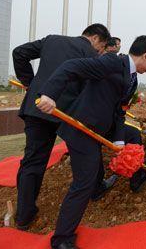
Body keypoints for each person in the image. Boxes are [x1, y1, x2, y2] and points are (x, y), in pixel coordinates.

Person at [36, 35, 146, 249]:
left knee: (132, 135)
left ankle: (136, 175)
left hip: (103, 124)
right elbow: (71, 67)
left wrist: (120, 140)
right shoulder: (113, 62)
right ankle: (61, 239)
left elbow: (120, 112)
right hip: (82, 129)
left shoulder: (132, 78)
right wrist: (49, 94)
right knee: (84, 181)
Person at [11, 23, 110, 231]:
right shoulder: (90, 53)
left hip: (38, 106)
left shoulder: (52, 40)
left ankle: (24, 216)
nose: (99, 52)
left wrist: (31, 84)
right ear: (95, 39)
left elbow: (19, 53)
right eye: (101, 47)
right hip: (67, 113)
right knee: (87, 149)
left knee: (33, 161)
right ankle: (95, 188)